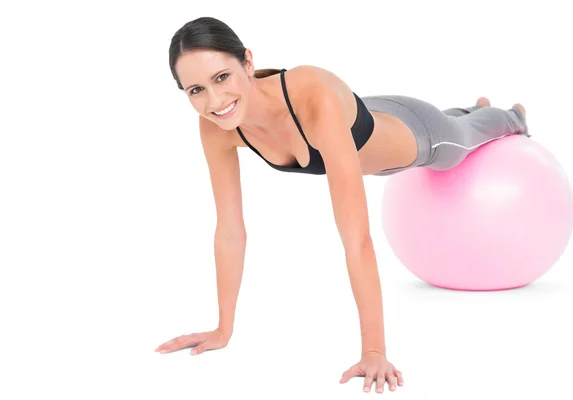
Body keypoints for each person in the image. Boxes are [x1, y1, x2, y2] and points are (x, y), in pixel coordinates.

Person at [155, 16, 529, 393]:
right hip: (363, 117)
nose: (214, 101)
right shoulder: (217, 127)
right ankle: (472, 109)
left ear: (247, 62)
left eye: (222, 78)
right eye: (195, 90)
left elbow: (356, 239)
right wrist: (223, 328)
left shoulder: (311, 95)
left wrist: (374, 350)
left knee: (464, 138)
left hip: (417, 136)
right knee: (461, 120)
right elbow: (230, 231)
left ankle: (509, 116)